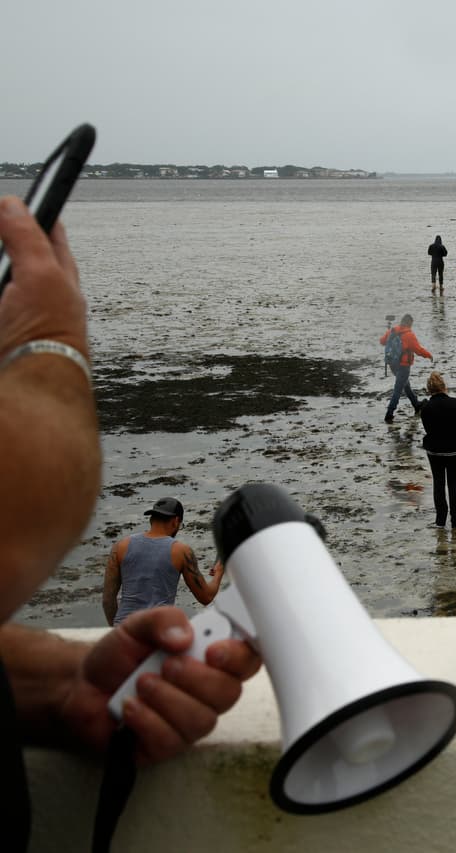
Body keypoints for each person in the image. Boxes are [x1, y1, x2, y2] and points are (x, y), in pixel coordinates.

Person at [0, 194, 259, 850]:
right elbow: (199, 597)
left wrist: (56, 688)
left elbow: (108, 596)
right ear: (178, 523)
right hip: (158, 634)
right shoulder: (180, 553)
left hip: (122, 632)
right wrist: (51, 345)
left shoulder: (121, 542)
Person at [103, 498, 225, 627]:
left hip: (124, 630)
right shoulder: (181, 551)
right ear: (176, 521)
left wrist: (116, 630)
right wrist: (219, 572)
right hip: (159, 632)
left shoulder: (120, 547)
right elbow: (206, 597)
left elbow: (107, 600)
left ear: (151, 520)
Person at [419, 371, 456, 531]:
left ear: (429, 390)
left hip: (434, 450)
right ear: (444, 387)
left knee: (438, 483)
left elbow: (427, 427)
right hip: (454, 449)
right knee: (454, 484)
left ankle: (440, 519)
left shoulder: (426, 408)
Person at [380, 313, 433, 423]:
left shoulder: (393, 331)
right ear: (410, 323)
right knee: (398, 389)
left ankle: (416, 404)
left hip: (393, 364)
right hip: (404, 365)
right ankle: (389, 413)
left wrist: (388, 334)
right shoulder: (409, 335)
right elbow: (418, 350)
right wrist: (429, 355)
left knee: (405, 385)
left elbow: (382, 341)